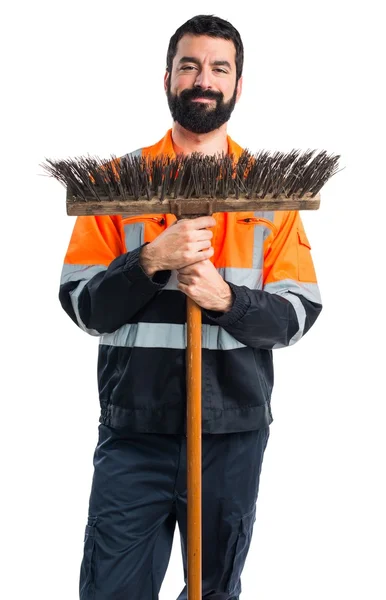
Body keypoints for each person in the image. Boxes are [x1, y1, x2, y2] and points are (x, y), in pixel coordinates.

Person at [60, 14, 322, 600]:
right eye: (190, 65)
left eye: (218, 68)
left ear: (236, 84)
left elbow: (299, 311)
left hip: (232, 434)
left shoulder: (269, 194)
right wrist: (151, 259)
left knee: (214, 592)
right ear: (168, 78)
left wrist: (225, 300)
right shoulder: (116, 185)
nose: (203, 78)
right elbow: (82, 304)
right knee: (111, 590)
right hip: (136, 430)